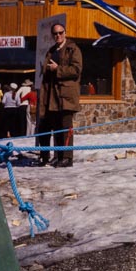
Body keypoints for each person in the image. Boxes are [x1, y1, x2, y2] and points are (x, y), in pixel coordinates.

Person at [36, 23, 83, 167]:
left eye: (60, 32)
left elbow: (76, 70)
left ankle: (67, 158)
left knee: (65, 126)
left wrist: (58, 69)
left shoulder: (73, 49)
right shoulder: (51, 50)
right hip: (52, 96)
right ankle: (58, 155)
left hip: (66, 95)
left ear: (65, 33)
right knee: (56, 126)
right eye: (55, 33)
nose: (58, 36)